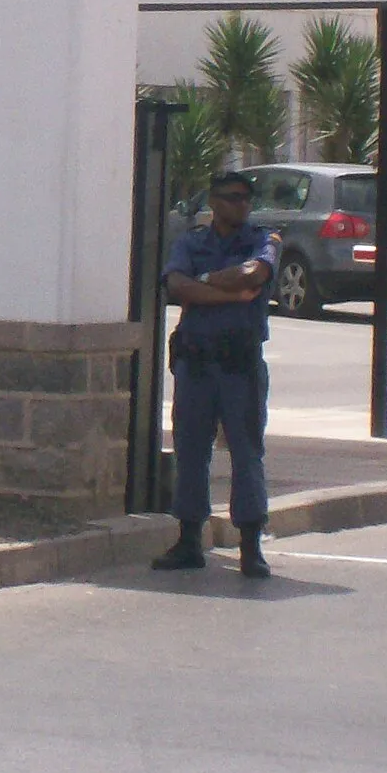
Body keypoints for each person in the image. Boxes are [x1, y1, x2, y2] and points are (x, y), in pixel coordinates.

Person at [153, 169, 279, 578]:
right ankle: (189, 539)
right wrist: (224, 291)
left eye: (246, 198)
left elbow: (254, 275)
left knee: (246, 452)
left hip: (239, 364)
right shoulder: (192, 242)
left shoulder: (262, 240)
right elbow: (176, 286)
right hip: (196, 362)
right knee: (191, 450)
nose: (241, 204)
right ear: (214, 201)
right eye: (232, 197)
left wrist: (203, 282)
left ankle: (250, 545)